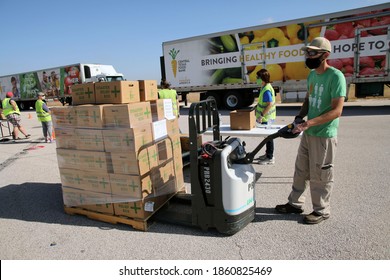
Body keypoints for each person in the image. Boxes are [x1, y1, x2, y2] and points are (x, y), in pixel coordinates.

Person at [275, 37, 346, 224]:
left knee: (320, 175)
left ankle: (321, 210)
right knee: (301, 170)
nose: (308, 56)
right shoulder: (312, 75)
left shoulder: (336, 76)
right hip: (309, 132)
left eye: (313, 53)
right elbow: (308, 99)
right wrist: (300, 117)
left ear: (325, 55)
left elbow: (337, 111)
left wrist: (309, 123)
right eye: (307, 52)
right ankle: (295, 204)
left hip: (324, 135)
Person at [255, 68, 276, 165]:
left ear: (262, 78)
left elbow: (269, 104)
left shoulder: (266, 90)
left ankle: (270, 157)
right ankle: (267, 154)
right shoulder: (265, 87)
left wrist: (261, 115)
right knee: (267, 137)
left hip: (266, 118)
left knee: (269, 137)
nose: (256, 79)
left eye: (257, 77)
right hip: (266, 117)